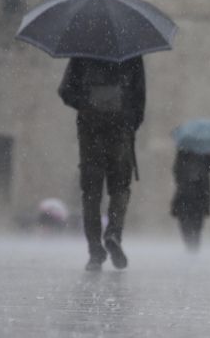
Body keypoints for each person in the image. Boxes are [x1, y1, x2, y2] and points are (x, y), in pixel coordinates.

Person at [58, 56, 145, 272]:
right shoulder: (131, 53)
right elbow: (139, 95)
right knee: (120, 188)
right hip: (121, 129)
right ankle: (114, 233)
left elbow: (65, 90)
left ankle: (95, 251)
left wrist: (86, 104)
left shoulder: (83, 52)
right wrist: (130, 121)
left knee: (91, 193)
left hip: (90, 131)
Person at [171, 149, 210, 252]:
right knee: (194, 224)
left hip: (190, 192)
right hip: (196, 193)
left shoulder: (185, 149)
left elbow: (176, 170)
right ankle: (192, 246)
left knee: (189, 223)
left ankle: (192, 246)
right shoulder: (205, 149)